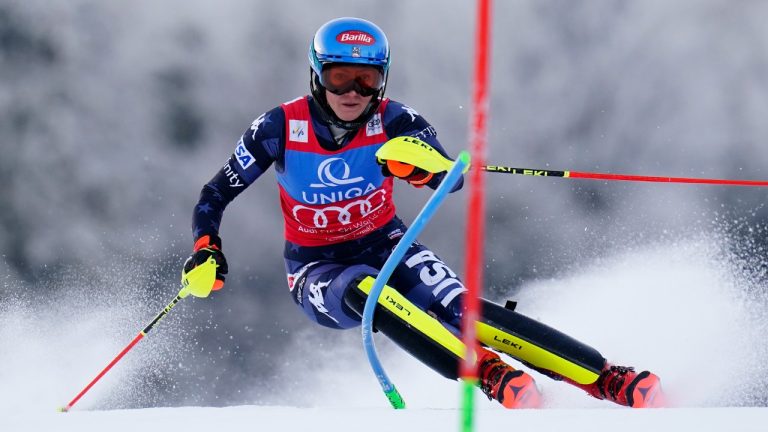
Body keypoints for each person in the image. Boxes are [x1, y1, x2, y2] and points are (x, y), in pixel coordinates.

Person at [182, 17, 663, 409]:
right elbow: (214, 193)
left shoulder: (394, 120)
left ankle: (607, 380)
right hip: (317, 268)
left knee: (463, 311)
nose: (352, 92)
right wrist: (207, 249)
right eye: (338, 77)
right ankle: (490, 375)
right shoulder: (279, 126)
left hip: (388, 244)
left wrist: (420, 165)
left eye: (365, 79)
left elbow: (448, 177)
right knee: (365, 291)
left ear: (381, 81)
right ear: (316, 75)